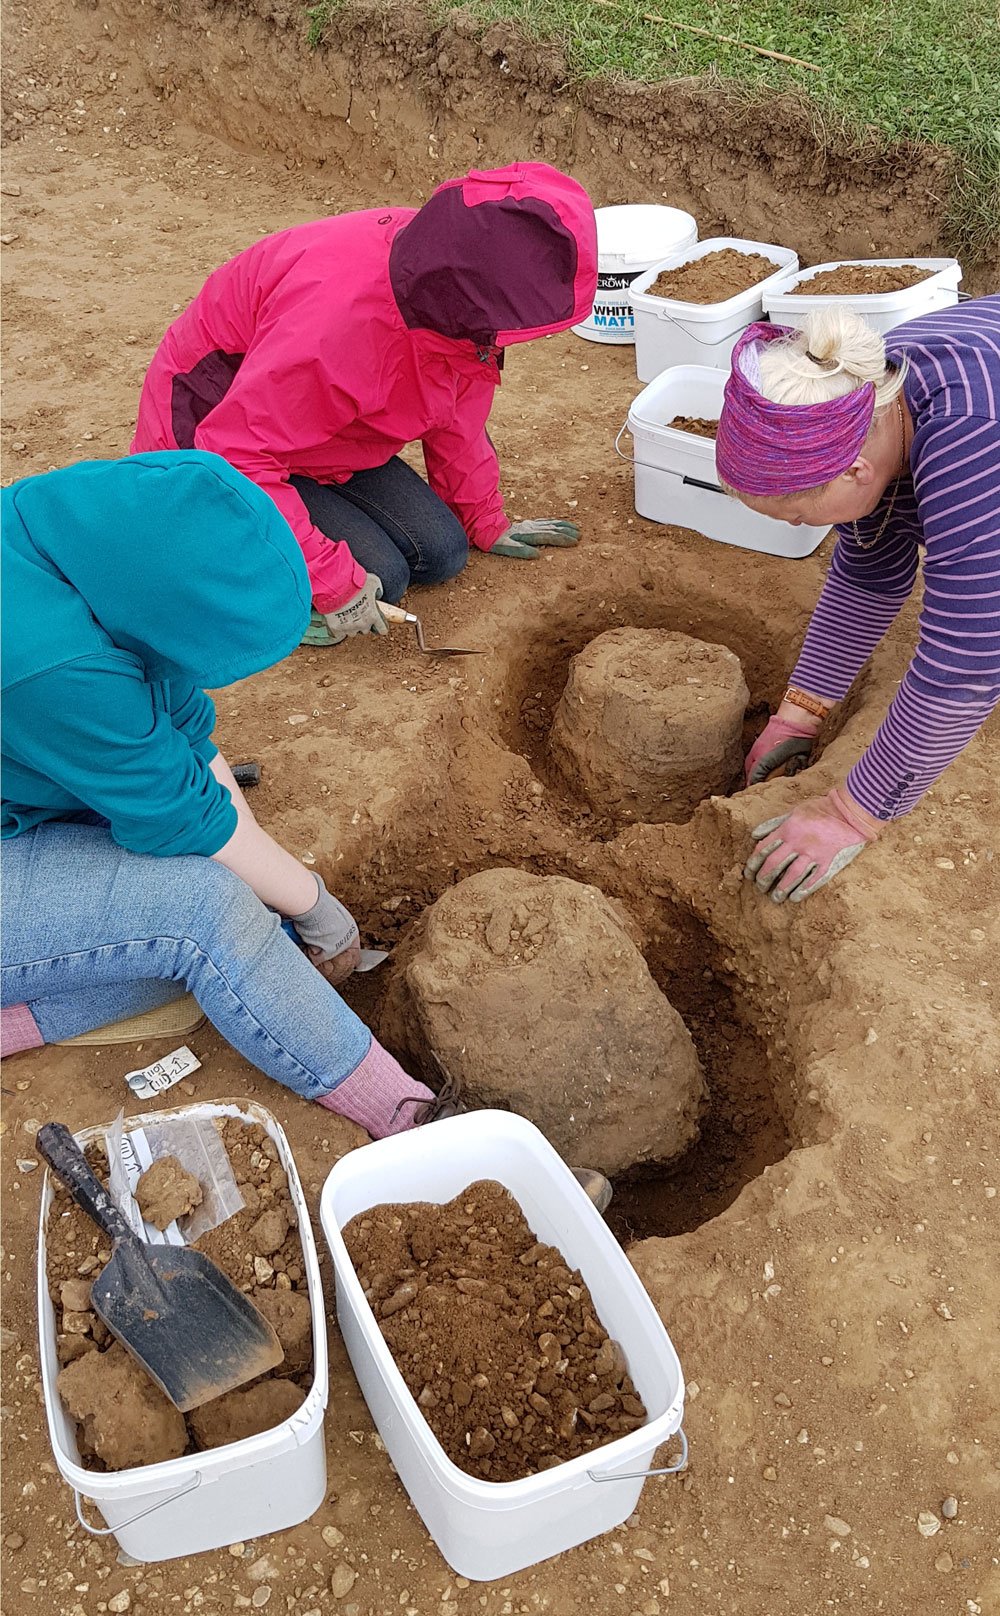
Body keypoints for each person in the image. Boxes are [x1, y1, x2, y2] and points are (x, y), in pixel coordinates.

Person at [0, 452, 451, 1134]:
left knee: (241, 916)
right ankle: (414, 1122)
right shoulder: (52, 663)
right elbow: (184, 821)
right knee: (205, 912)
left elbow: (185, 740)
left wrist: (281, 892)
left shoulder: (98, 537)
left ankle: (26, 1007)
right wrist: (312, 901)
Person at [130, 162, 598, 646]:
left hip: (316, 436)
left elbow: (458, 409)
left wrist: (483, 515)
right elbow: (237, 450)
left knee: (441, 552)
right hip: (209, 436)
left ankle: (299, 526)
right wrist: (329, 582)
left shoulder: (454, 286)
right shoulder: (334, 328)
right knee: (381, 578)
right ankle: (252, 593)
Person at [715, 297, 1000, 902]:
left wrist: (850, 812)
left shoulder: (972, 441)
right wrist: (799, 712)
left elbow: (968, 662)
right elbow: (870, 569)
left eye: (795, 513)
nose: (795, 528)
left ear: (855, 473)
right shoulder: (861, 394)